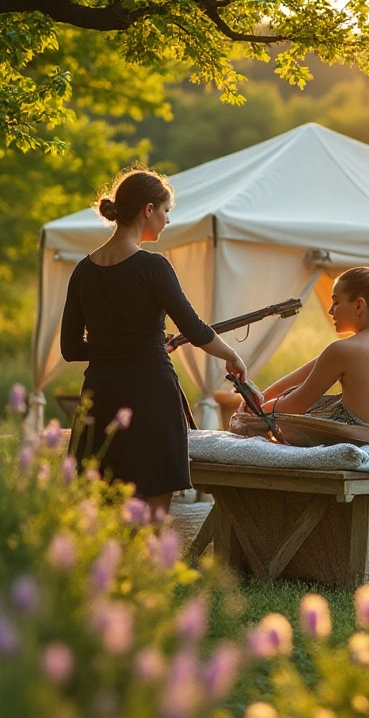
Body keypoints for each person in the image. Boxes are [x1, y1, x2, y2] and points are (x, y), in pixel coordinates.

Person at [61, 167, 248, 518]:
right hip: (149, 395)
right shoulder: (152, 267)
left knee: (101, 510)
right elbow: (193, 328)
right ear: (148, 209)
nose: (167, 220)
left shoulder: (83, 271)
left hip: (100, 397)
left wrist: (123, 348)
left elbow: (70, 349)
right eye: (166, 211)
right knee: (150, 516)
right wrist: (232, 354)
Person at [242, 264, 369, 447]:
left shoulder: (345, 350)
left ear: (359, 306)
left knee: (261, 428)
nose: (330, 310)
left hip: (366, 444)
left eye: (336, 302)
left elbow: (297, 403)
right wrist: (262, 397)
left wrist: (256, 413)